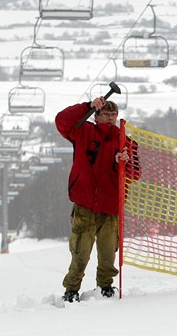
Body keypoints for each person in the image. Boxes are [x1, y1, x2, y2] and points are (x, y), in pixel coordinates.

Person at [55, 97, 140, 303]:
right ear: (97, 116)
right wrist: (87, 106)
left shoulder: (126, 142)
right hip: (85, 204)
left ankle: (105, 287)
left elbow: (135, 173)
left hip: (111, 207)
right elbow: (61, 121)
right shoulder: (83, 132)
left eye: (113, 115)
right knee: (80, 253)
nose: (110, 119)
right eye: (105, 115)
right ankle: (72, 289)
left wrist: (125, 163)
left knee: (108, 253)